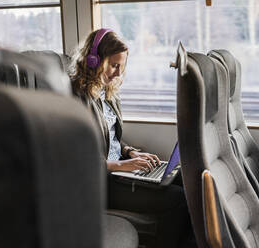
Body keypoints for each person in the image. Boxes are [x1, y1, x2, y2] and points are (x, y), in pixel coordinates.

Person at [68, 28, 191, 248]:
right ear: (94, 60)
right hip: (101, 180)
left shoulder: (107, 94)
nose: (117, 73)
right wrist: (122, 166)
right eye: (114, 66)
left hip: (119, 170)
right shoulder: (76, 98)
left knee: (187, 180)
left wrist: (130, 152)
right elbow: (77, 157)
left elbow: (111, 138)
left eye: (121, 67)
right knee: (178, 199)